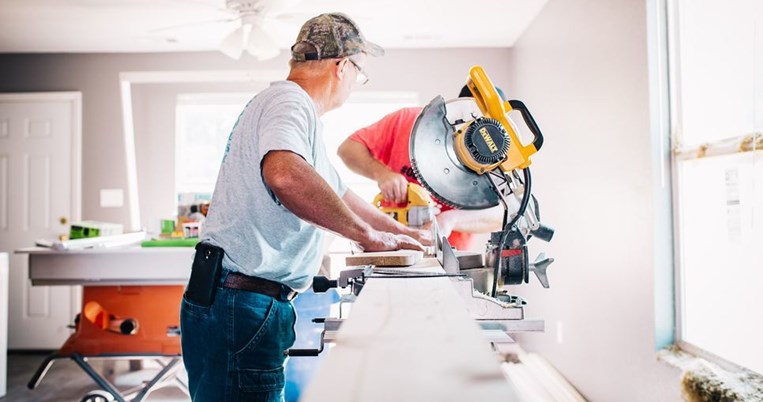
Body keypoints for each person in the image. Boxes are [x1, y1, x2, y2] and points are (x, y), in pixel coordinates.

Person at [180, 13, 430, 402]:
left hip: (241, 301)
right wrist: (367, 237)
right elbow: (285, 175)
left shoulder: (294, 112)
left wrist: (400, 234)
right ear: (342, 66)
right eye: (358, 75)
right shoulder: (289, 100)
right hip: (241, 304)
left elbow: (340, 193)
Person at [337, 86, 506, 251]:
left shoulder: (494, 157)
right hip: (390, 244)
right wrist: (382, 174)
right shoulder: (407, 121)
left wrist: (450, 220)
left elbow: (502, 214)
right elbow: (348, 149)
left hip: (449, 254)